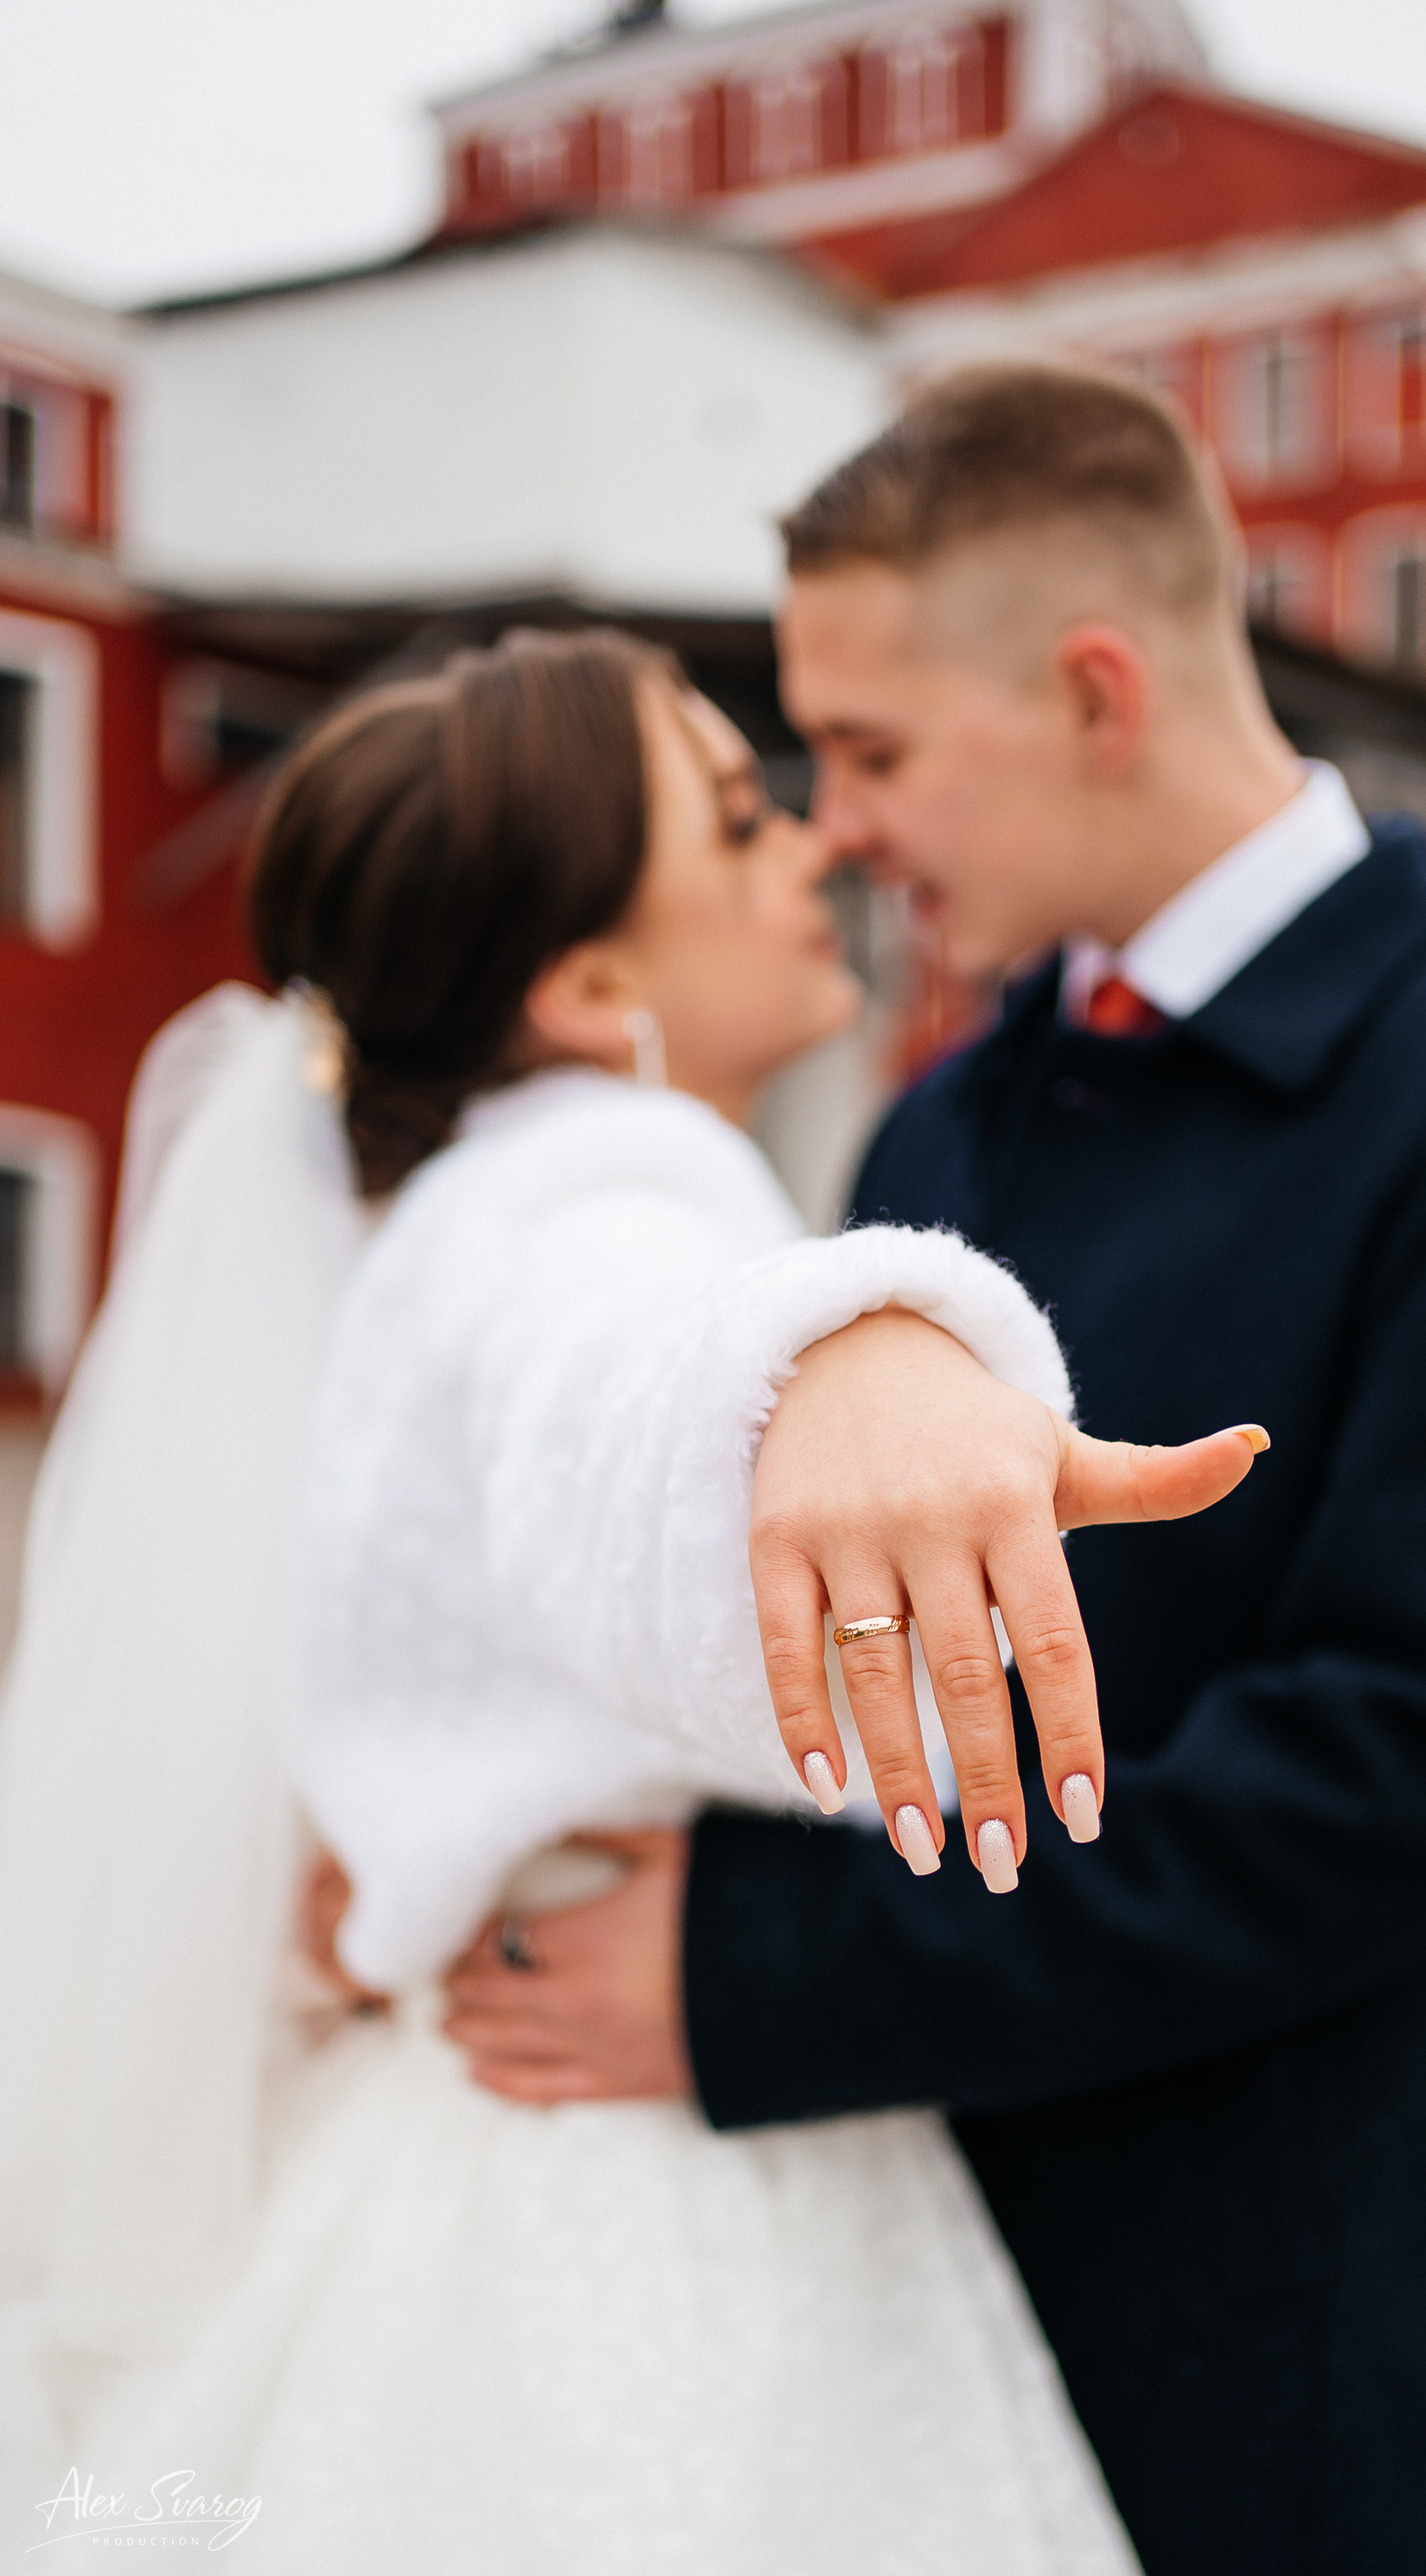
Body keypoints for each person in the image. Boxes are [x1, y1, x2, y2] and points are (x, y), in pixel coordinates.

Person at [439, 369, 1426, 2574]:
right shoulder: (946, 1114)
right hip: (904, 2289)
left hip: (1262, 2341)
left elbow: (1381, 1795)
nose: (837, 827)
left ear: (1093, 690)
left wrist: (749, 1976)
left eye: (871, 749)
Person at [0, 625, 1259, 2570]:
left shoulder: (419, 1217)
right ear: (591, 987)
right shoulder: (594, 1188)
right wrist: (835, 1368)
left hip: (476, 2109)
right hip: (621, 2199)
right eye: (742, 818)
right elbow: (606, 1381)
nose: (812, 854)